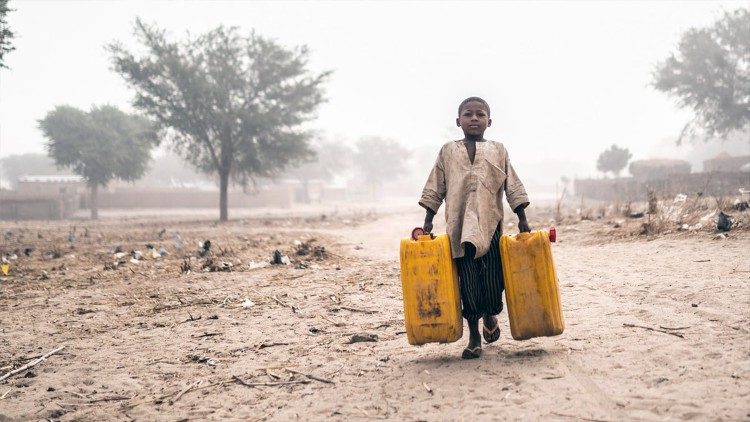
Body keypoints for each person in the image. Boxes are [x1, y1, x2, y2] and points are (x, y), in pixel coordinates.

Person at [419, 97, 530, 359]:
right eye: (468, 114)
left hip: (489, 224)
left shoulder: (498, 150)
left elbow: (511, 184)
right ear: (458, 121)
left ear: (489, 121)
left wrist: (522, 216)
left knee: (493, 280)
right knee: (467, 281)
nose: (474, 118)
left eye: (480, 114)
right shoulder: (447, 151)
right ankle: (473, 336)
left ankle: (490, 315)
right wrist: (427, 219)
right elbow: (436, 185)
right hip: (459, 229)